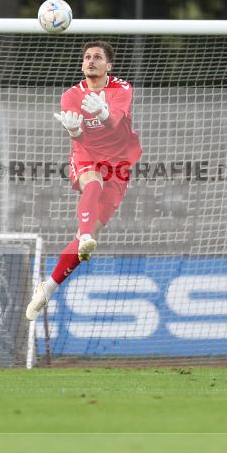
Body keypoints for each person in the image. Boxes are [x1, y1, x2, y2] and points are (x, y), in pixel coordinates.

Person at [26, 41, 142, 321]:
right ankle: (87, 236)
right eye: (87, 57)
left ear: (108, 66)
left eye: (98, 57)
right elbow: (78, 137)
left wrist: (102, 112)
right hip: (86, 156)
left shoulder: (121, 88)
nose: (91, 61)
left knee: (79, 243)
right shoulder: (70, 96)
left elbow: (116, 125)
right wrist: (75, 131)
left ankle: (48, 287)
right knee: (92, 185)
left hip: (118, 164)